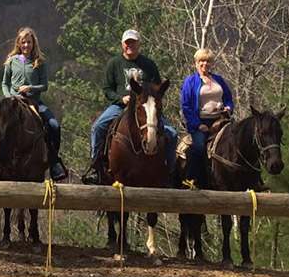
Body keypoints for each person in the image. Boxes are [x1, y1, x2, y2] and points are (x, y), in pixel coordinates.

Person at [0, 27, 67, 181]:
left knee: (54, 125)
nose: (26, 45)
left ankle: (53, 161)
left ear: (33, 43)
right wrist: (9, 97)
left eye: (29, 42)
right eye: (23, 42)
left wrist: (31, 88)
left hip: (34, 101)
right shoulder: (11, 61)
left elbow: (44, 85)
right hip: (12, 102)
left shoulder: (39, 61)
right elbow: (5, 83)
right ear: (19, 43)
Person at [86, 29, 177, 184]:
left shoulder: (148, 64)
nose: (130, 45)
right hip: (120, 106)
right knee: (98, 127)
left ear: (138, 43)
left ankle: (170, 171)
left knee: (172, 133)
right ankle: (95, 166)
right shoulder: (114, 63)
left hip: (145, 107)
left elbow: (157, 89)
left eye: (133, 42)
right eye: (127, 42)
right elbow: (107, 89)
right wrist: (121, 98)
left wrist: (149, 100)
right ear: (122, 44)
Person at [180, 48, 233, 189]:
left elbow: (228, 99)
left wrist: (228, 108)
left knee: (238, 139)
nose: (205, 64)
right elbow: (186, 106)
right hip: (201, 122)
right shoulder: (190, 82)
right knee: (198, 147)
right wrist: (198, 125)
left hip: (221, 119)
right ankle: (190, 179)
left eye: (208, 61)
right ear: (196, 63)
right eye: (201, 61)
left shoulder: (219, 80)